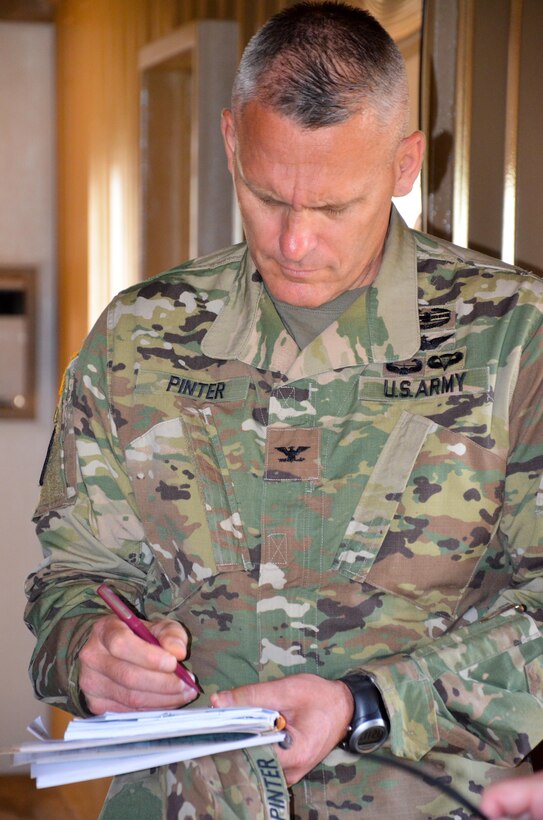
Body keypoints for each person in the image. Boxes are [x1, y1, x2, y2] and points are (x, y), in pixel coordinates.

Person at [25, 2, 543, 818]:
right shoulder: (139, 337)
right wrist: (88, 653)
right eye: (266, 196)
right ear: (231, 140)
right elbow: (71, 581)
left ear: (405, 164)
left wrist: (368, 702)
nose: (294, 242)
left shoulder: (515, 341)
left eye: (334, 207)